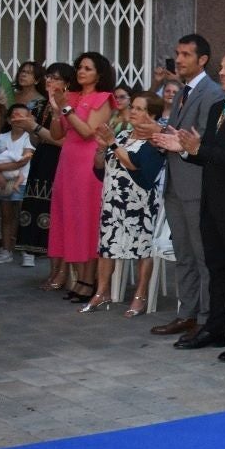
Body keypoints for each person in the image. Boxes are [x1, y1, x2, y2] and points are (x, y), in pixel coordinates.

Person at [159, 49, 225, 360]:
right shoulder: (218, 106)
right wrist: (186, 149)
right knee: (216, 267)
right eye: (221, 67)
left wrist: (198, 149)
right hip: (211, 199)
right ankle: (215, 328)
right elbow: (207, 154)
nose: (222, 72)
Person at [141, 34, 224, 340]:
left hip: (197, 185)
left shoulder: (212, 93)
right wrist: (160, 136)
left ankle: (207, 318)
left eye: (186, 54)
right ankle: (186, 313)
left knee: (202, 255)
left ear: (203, 59)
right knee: (183, 254)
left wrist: (168, 136)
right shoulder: (180, 93)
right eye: (178, 53)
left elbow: (201, 138)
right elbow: (176, 134)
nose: (179, 59)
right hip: (175, 184)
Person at [85, 92, 165, 316]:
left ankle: (140, 295)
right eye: (133, 107)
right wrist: (102, 148)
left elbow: (134, 165)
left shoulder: (155, 141)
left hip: (139, 203)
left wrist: (111, 143)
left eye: (140, 109)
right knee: (107, 247)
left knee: (143, 249)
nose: (133, 112)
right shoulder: (122, 135)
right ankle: (102, 292)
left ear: (152, 115)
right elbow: (100, 168)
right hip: (113, 201)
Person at [48, 51, 116, 304]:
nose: (81, 72)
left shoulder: (103, 98)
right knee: (68, 217)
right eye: (79, 67)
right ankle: (79, 278)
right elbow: (57, 134)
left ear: (99, 74)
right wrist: (56, 110)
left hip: (87, 164)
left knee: (85, 220)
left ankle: (89, 280)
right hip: (67, 161)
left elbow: (88, 131)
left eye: (88, 68)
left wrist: (66, 108)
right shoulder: (72, 96)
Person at [20, 63, 73, 276]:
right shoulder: (41, 105)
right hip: (41, 160)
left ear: (67, 83)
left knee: (56, 216)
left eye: (56, 78)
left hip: (60, 161)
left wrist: (35, 128)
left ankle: (62, 272)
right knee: (37, 209)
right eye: (48, 76)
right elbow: (36, 140)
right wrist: (30, 128)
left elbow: (64, 141)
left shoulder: (69, 105)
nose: (49, 81)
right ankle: (52, 270)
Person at [0, 104, 35, 266]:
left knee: (23, 216)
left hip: (23, 181)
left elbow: (24, 160)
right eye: (16, 116)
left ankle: (27, 251)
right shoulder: (2, 138)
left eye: (24, 116)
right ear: (9, 120)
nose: (19, 119)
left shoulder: (29, 138)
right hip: (4, 182)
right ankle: (6, 250)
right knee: (6, 216)